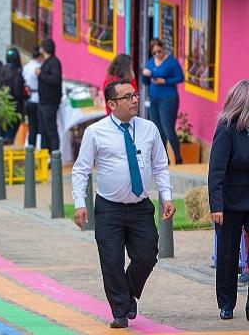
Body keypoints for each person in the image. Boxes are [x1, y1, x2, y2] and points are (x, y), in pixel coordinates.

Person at [72, 79, 175, 329]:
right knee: (111, 261)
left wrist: (167, 195)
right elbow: (81, 170)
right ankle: (120, 311)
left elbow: (161, 165)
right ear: (111, 104)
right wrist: (79, 203)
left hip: (140, 207)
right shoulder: (95, 132)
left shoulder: (149, 129)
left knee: (147, 255)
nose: (134, 100)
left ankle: (128, 293)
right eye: (127, 97)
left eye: (135, 95)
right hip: (109, 208)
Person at [208, 79, 249, 321]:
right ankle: (226, 303)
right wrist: (216, 206)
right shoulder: (226, 129)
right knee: (227, 253)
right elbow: (216, 171)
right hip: (230, 201)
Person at [141, 38, 184, 164]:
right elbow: (145, 82)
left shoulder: (171, 62)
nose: (157, 54)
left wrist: (164, 81)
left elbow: (180, 77)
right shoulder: (150, 62)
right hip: (154, 99)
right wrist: (144, 74)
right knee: (158, 130)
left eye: (159, 51)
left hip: (168, 99)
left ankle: (178, 157)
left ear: (163, 48)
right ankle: (165, 160)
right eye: (154, 53)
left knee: (168, 129)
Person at [36, 38, 62, 152]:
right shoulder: (46, 62)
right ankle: (44, 154)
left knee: (51, 130)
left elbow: (55, 79)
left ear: (44, 49)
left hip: (50, 102)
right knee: (43, 130)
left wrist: (41, 74)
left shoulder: (54, 62)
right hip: (43, 101)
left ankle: (54, 155)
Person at [22, 46, 43, 146]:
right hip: (37, 98)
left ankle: (31, 147)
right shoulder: (38, 68)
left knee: (31, 126)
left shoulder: (26, 67)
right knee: (40, 127)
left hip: (29, 99)